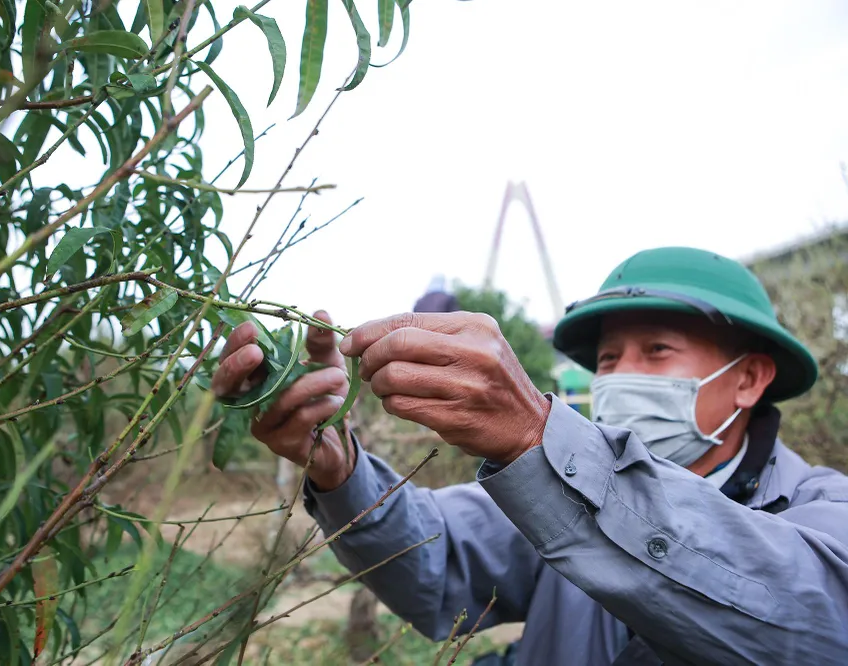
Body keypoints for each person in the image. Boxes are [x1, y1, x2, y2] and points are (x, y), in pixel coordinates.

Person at [210, 247, 848, 665]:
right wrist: (339, 467)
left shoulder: (821, 510)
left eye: (656, 351)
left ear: (749, 379)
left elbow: (818, 624)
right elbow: (436, 558)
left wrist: (536, 434)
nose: (620, 375)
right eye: (608, 358)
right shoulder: (550, 501)